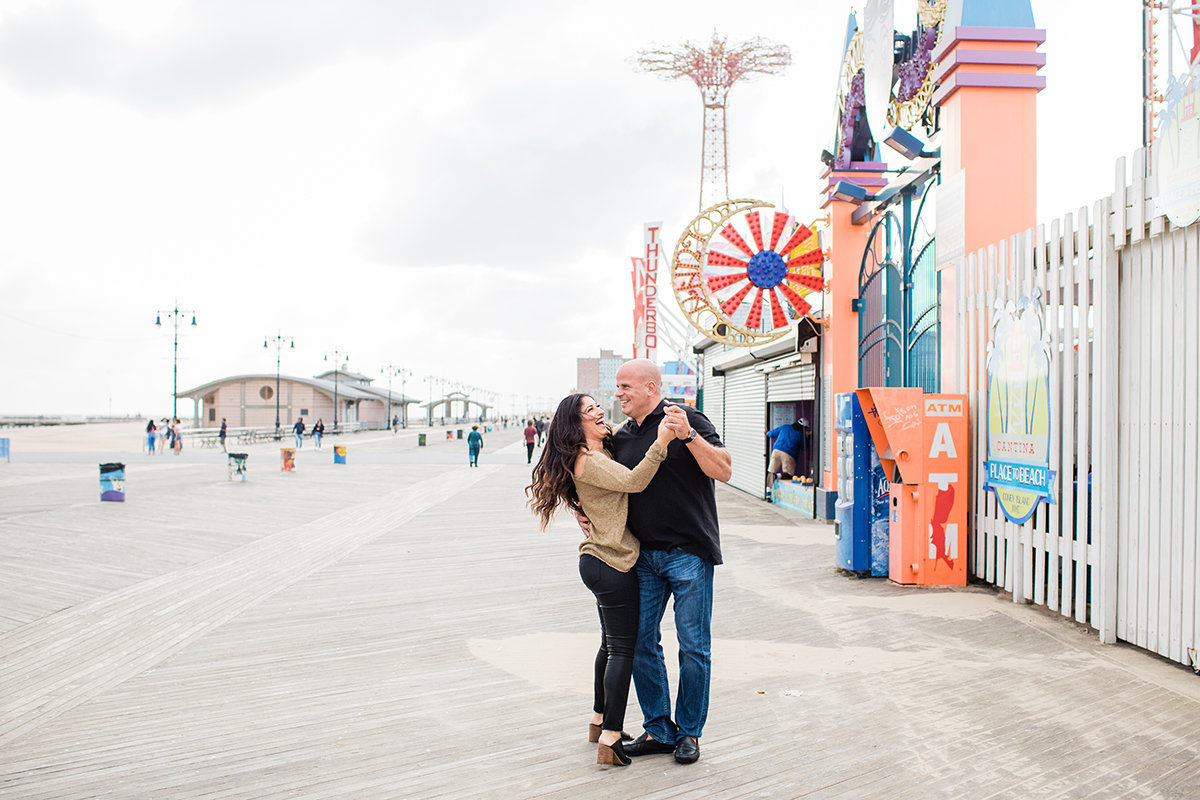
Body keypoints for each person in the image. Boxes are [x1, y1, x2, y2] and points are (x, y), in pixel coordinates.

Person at [583, 359, 731, 766]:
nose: (618, 393)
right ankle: (660, 729)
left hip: (689, 553)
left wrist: (688, 437)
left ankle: (689, 733)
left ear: (651, 388)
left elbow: (724, 468)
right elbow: (599, 478)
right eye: (617, 386)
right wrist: (580, 510)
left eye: (626, 386)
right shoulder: (621, 437)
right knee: (641, 642)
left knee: (694, 647)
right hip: (642, 556)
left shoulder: (687, 418)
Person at [526, 393, 679, 767]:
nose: (598, 412)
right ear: (573, 423)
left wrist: (579, 507)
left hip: (599, 560)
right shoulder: (588, 459)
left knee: (610, 645)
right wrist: (661, 442)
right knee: (623, 650)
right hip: (611, 563)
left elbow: (592, 490)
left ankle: (598, 719)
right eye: (588, 410)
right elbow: (634, 481)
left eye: (597, 406)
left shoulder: (594, 453)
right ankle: (611, 736)